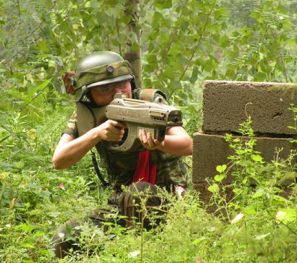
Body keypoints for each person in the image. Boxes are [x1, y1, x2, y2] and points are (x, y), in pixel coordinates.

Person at [51, 51, 193, 258]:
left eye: (123, 84)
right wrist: (97, 133)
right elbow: (59, 160)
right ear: (89, 95)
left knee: (138, 192)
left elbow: (187, 144)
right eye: (105, 89)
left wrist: (159, 143)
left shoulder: (149, 102)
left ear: (132, 82)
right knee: (65, 238)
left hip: (166, 198)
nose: (119, 93)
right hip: (119, 203)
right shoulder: (87, 115)